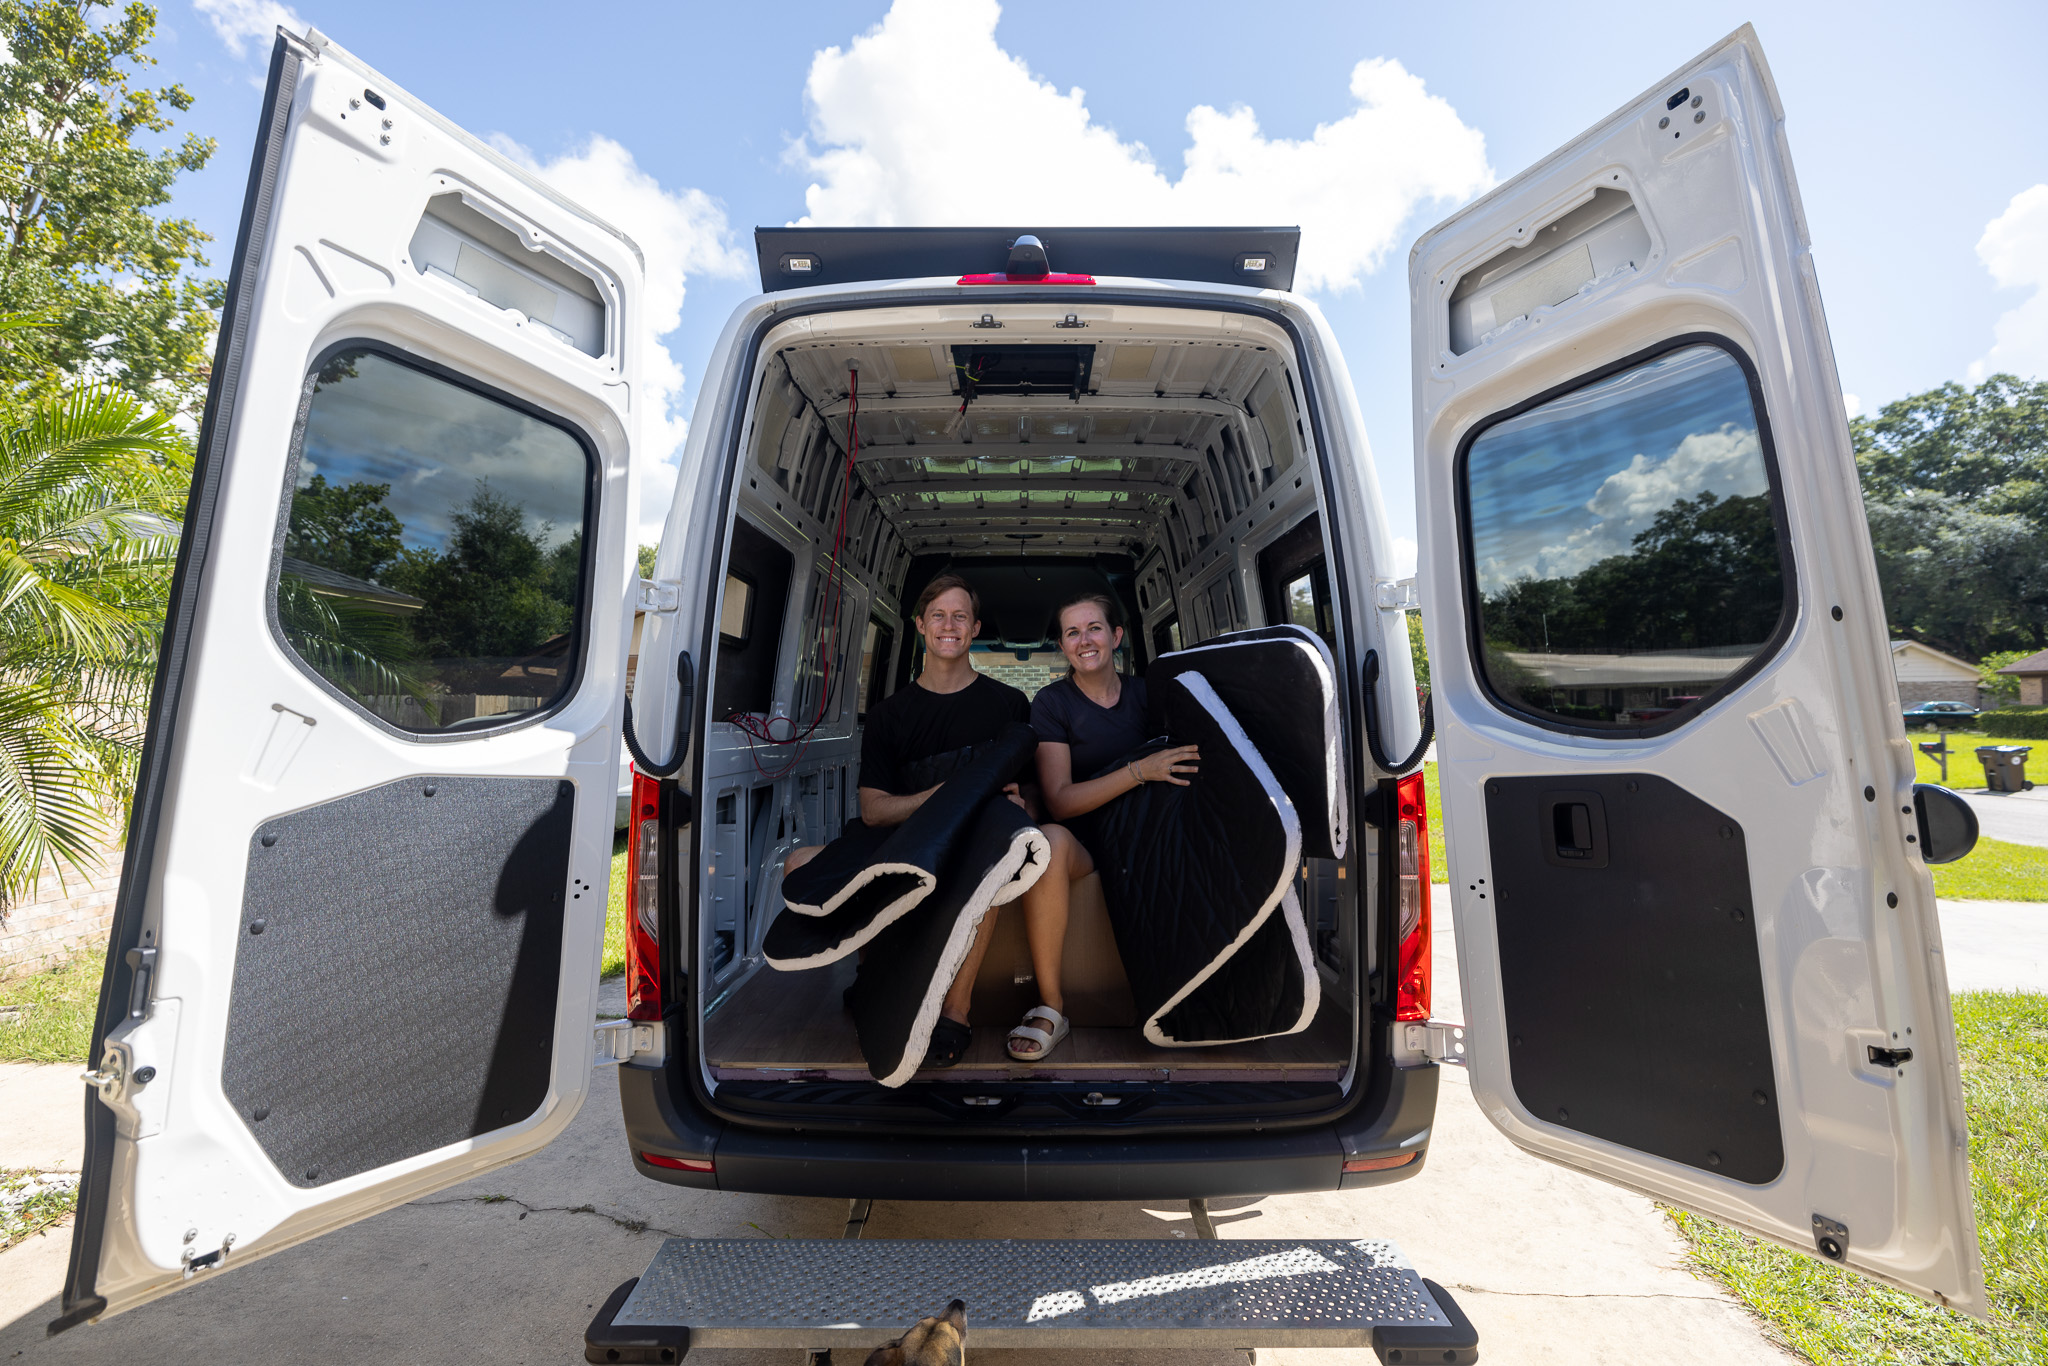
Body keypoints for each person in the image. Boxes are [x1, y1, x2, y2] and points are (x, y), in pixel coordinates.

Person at [782, 572, 1046, 1068]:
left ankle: (955, 1011)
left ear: (975, 628)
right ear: (921, 625)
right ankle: (870, 980)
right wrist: (951, 793)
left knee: (989, 872)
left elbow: (1030, 789)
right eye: (939, 616)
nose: (950, 625)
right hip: (899, 842)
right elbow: (874, 809)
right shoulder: (888, 716)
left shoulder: (1009, 705)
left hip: (974, 843)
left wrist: (1022, 803)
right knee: (798, 863)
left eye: (960, 616)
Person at [1019, 590, 1199, 1061]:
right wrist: (1141, 771)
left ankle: (1187, 993)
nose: (1084, 640)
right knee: (1051, 842)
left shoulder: (1148, 694)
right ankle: (1052, 1007)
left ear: (1116, 636)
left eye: (1094, 628)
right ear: (1062, 646)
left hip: (1147, 839)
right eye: (1072, 633)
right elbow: (1059, 801)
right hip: (1086, 841)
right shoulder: (1052, 704)